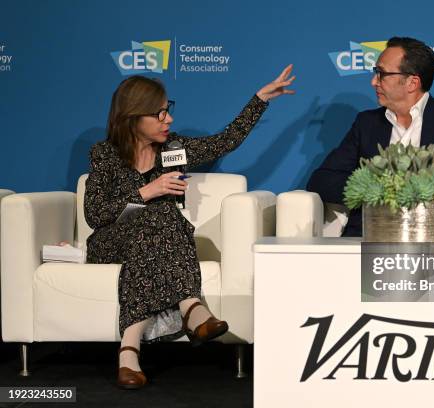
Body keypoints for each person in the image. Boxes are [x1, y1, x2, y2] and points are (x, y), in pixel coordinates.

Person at [84, 66, 295, 389]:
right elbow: (95, 215)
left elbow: (225, 141)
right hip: (111, 242)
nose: (168, 119)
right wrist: (147, 191)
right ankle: (192, 309)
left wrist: (260, 100)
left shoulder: (173, 149)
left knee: (163, 217)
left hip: (153, 243)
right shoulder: (105, 155)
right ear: (133, 117)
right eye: (158, 113)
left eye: (168, 110)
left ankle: (129, 350)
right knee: (162, 212)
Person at [307, 37, 434, 237]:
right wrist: (378, 189)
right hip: (372, 234)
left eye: (381, 74)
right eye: (374, 72)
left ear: (412, 82)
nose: (373, 81)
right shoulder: (367, 124)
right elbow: (322, 180)